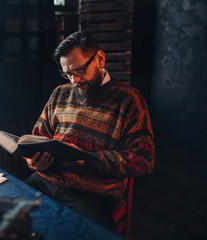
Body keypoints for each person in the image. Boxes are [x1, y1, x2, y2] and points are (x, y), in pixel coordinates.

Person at [24, 31, 155, 232]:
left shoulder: (129, 100)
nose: (74, 81)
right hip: (44, 181)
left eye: (80, 71)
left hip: (91, 192)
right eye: (67, 74)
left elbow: (144, 161)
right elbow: (38, 136)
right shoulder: (60, 93)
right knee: (0, 214)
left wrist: (86, 158)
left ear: (100, 59)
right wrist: (32, 160)